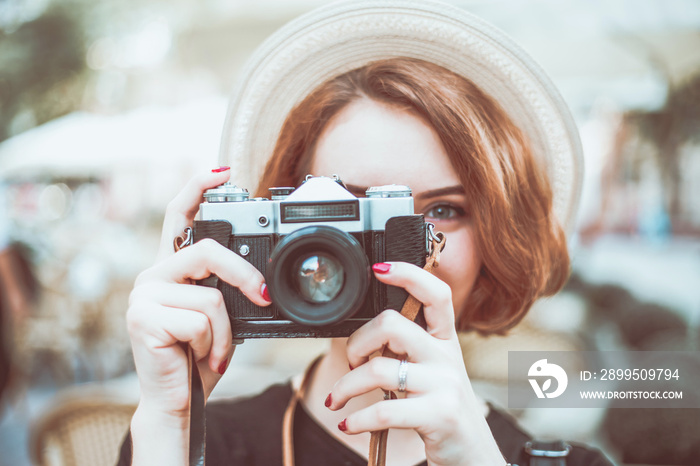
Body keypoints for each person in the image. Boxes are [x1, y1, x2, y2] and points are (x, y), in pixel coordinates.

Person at [119, 2, 613, 465]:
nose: (409, 252)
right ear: (276, 233)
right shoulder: (196, 444)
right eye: (351, 207)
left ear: (496, 237)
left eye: (443, 209)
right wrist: (169, 421)